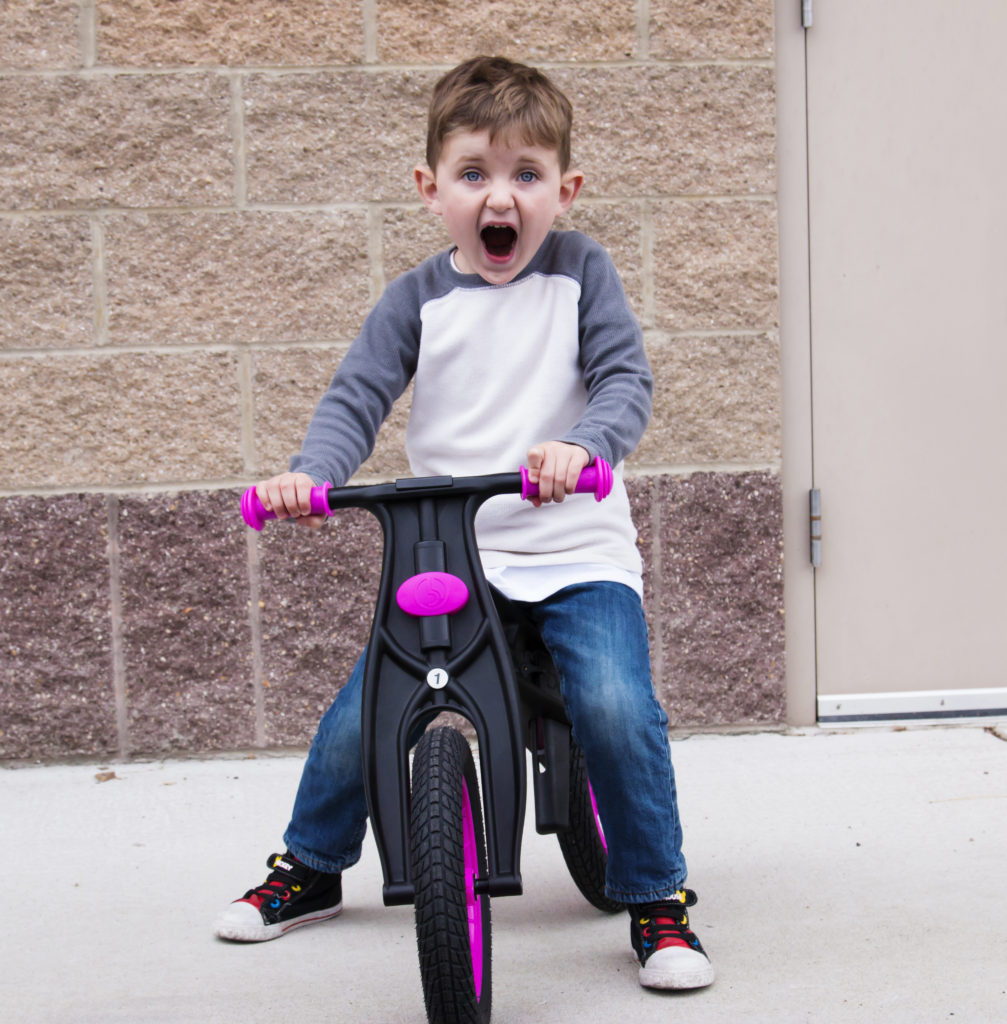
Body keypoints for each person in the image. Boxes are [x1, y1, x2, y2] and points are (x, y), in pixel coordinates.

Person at [215, 55, 714, 992]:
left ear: (563, 191)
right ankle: (310, 868)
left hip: (571, 545)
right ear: (430, 188)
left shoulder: (580, 274)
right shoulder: (415, 300)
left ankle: (657, 899)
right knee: (364, 712)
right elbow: (356, 397)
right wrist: (309, 475)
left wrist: (585, 447)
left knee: (613, 704)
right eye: (475, 174)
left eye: (527, 176)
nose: (502, 198)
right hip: (452, 551)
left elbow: (624, 381)